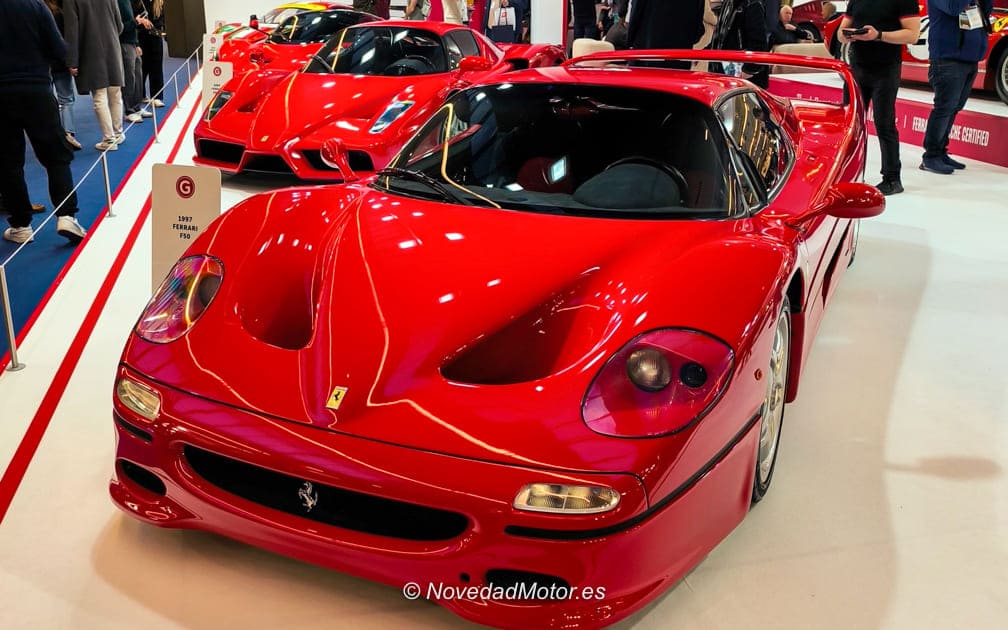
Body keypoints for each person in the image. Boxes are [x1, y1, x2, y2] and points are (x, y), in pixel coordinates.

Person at [0, 0, 87, 244]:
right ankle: (67, 215)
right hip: (37, 89)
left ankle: (21, 225)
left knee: (9, 163)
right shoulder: (35, 5)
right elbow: (59, 49)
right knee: (56, 155)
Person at [838, 0, 921, 195]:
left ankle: (892, 178)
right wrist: (846, 35)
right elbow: (843, 30)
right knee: (850, 124)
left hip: (886, 69)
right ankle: (849, 173)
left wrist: (879, 35)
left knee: (884, 124)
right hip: (857, 67)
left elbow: (912, 34)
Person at [920, 0, 993, 174]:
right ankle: (930, 156)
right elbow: (954, 8)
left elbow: (986, 9)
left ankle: (941, 151)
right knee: (944, 108)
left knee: (954, 108)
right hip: (948, 58)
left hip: (969, 58)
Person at [65, 0, 125, 151]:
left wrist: (72, 60)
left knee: (99, 96)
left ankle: (109, 138)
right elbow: (120, 25)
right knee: (115, 93)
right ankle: (118, 133)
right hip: (112, 46)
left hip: (90, 50)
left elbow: (72, 31)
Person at [45, 1, 82, 150]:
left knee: (47, 102)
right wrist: (71, 61)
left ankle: (51, 135)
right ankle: (68, 134)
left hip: (42, 65)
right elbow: (66, 39)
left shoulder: (37, 11)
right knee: (66, 99)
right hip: (60, 63)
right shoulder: (60, 14)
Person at [628, 0, 706, 68]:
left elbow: (636, 12)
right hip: (679, 56)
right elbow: (697, 28)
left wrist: (630, 40)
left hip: (646, 51)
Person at [711, 0, 770, 87]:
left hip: (743, 73)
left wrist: (749, 69)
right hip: (728, 68)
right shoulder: (729, 3)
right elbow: (721, 35)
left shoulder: (752, 4)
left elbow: (759, 42)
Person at [118, 0, 147, 124]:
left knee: (138, 76)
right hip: (124, 43)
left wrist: (136, 44)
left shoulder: (127, 2)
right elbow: (119, 27)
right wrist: (136, 22)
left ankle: (136, 107)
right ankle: (129, 110)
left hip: (132, 42)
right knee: (129, 77)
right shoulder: (118, 2)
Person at [135, 0, 165, 108]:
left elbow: (162, 17)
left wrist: (162, 31)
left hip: (155, 36)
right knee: (142, 68)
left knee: (157, 67)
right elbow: (134, 16)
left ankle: (157, 96)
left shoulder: (159, 2)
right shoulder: (137, 2)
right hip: (141, 36)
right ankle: (141, 94)